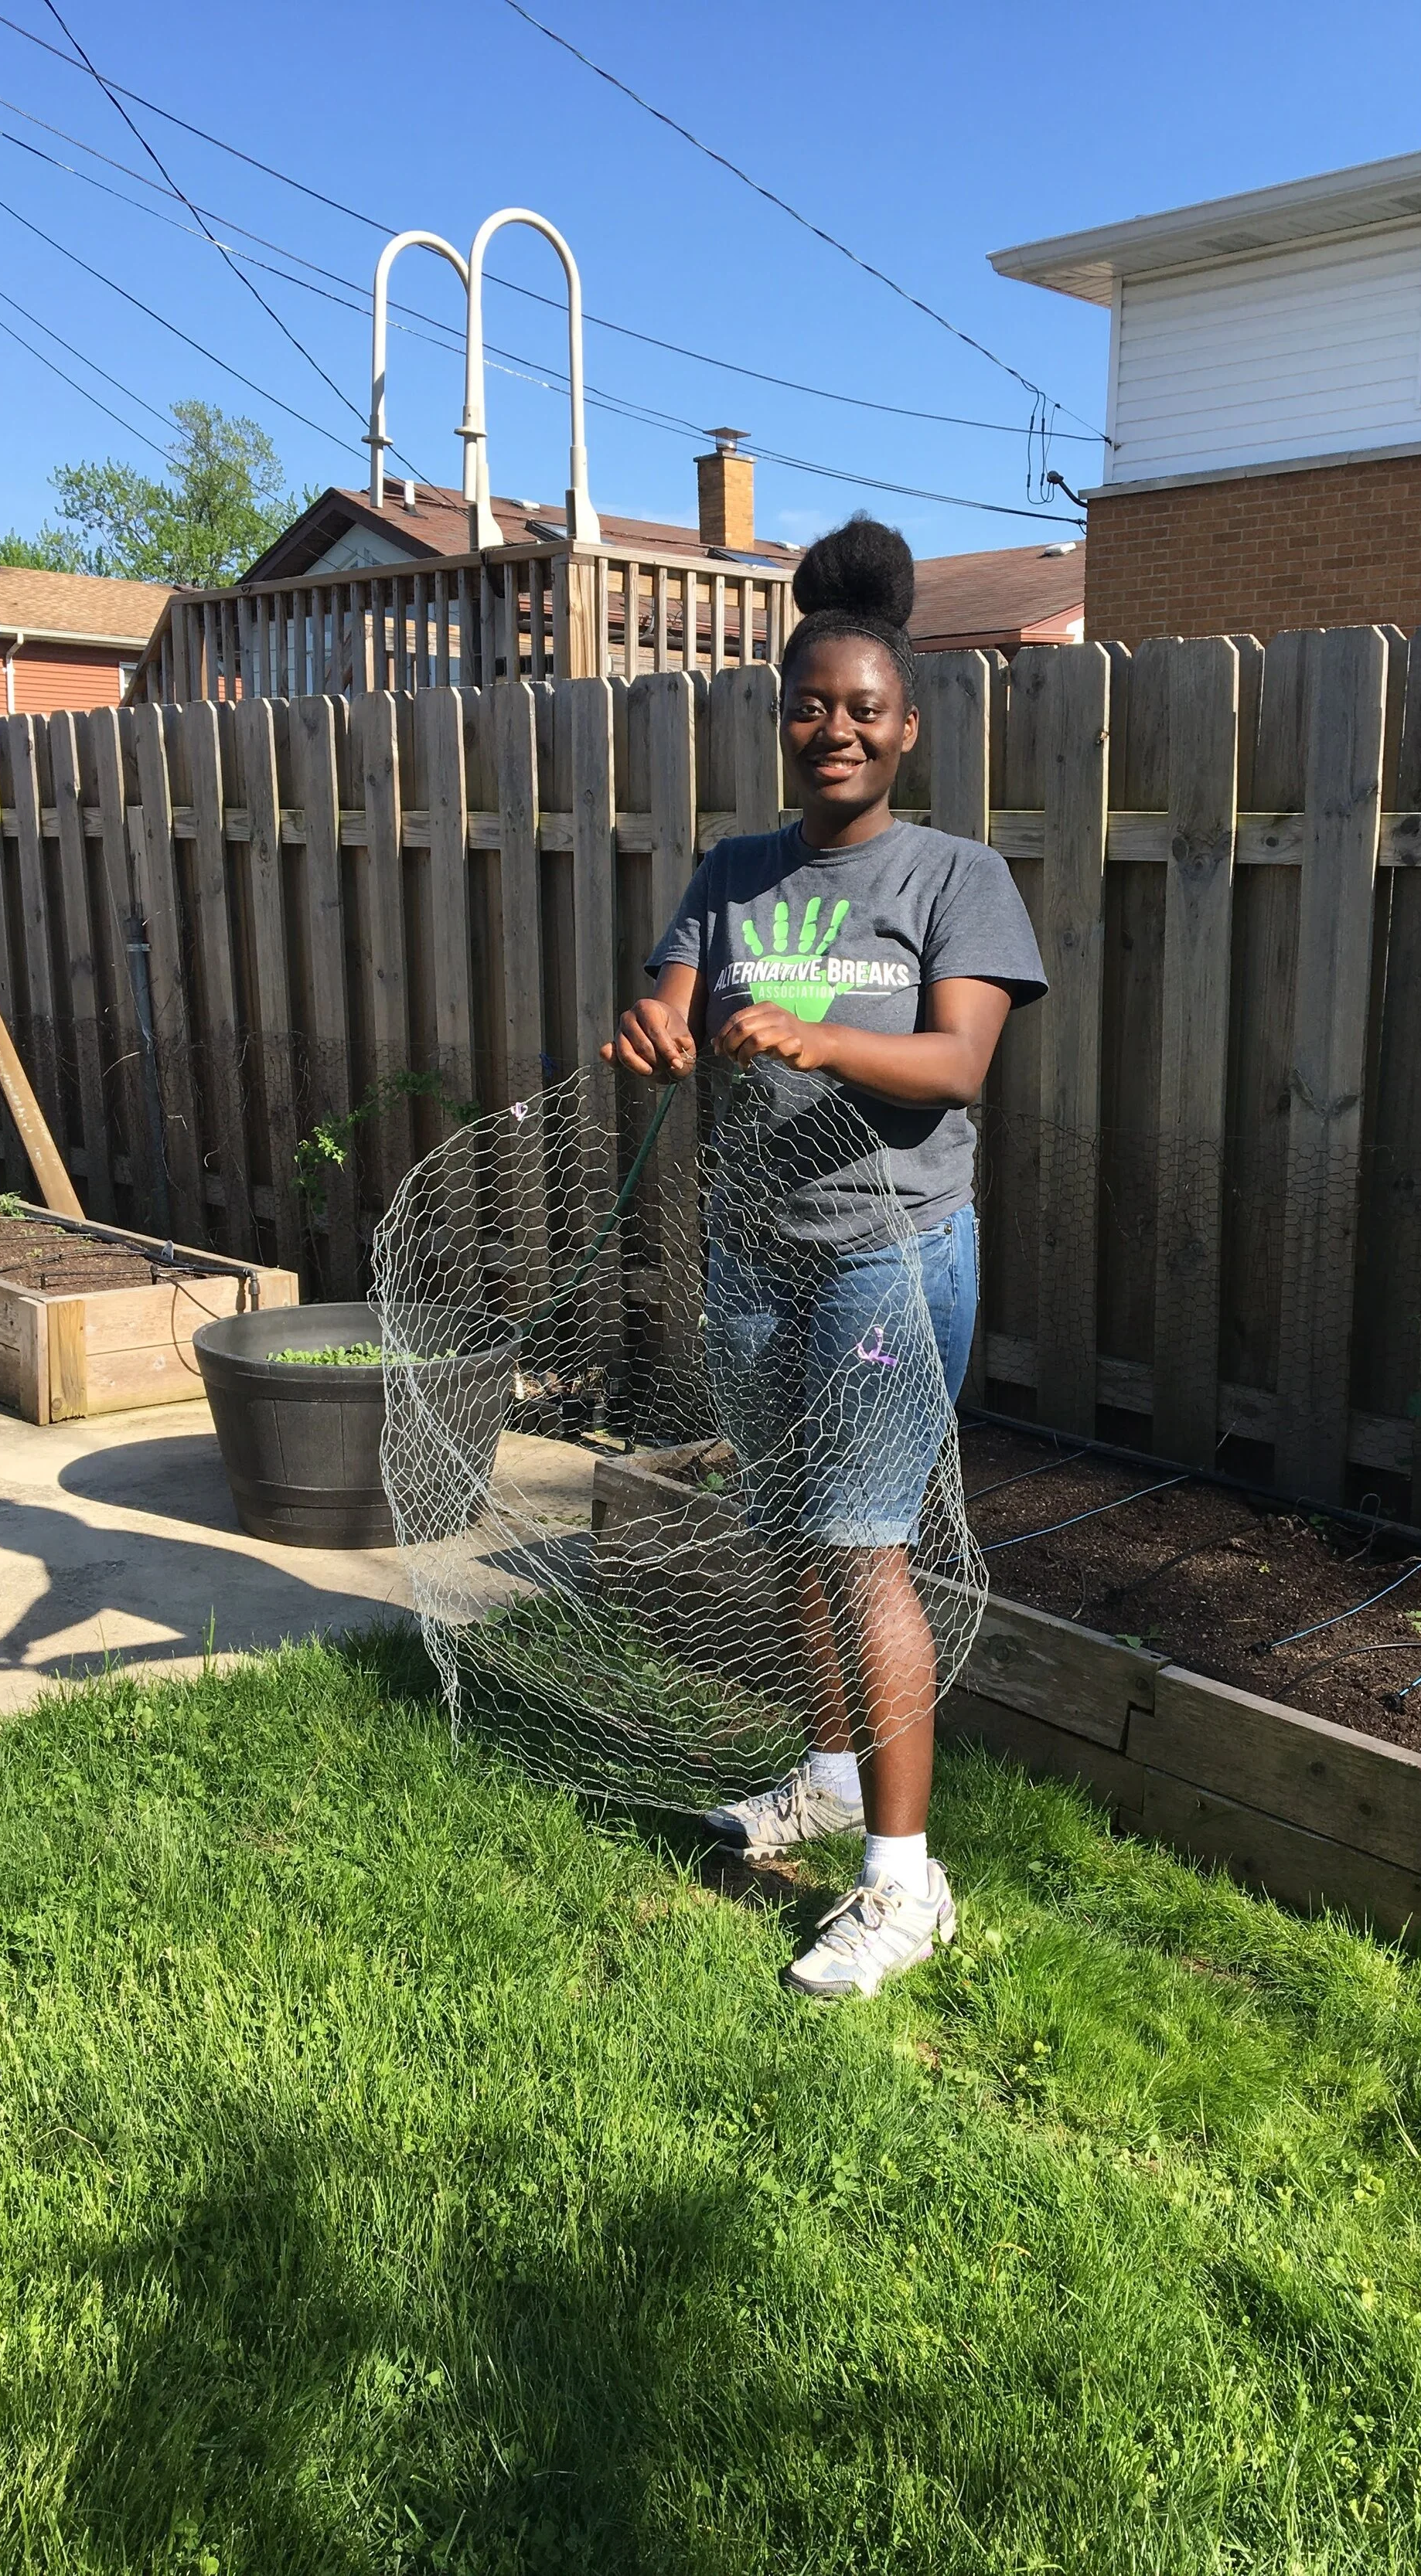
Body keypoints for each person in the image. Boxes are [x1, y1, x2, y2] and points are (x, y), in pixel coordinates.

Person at [603, 516, 1045, 1999]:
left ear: (908, 728)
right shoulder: (732, 875)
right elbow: (668, 1010)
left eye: (865, 709)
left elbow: (957, 1064)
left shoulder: (956, 879)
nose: (836, 730)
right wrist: (652, 1034)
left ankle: (904, 1884)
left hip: (889, 1261)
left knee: (865, 1549)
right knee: (793, 1532)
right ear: (780, 720)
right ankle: (827, 1778)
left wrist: (816, 1036)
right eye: (811, 707)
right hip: (754, 1256)